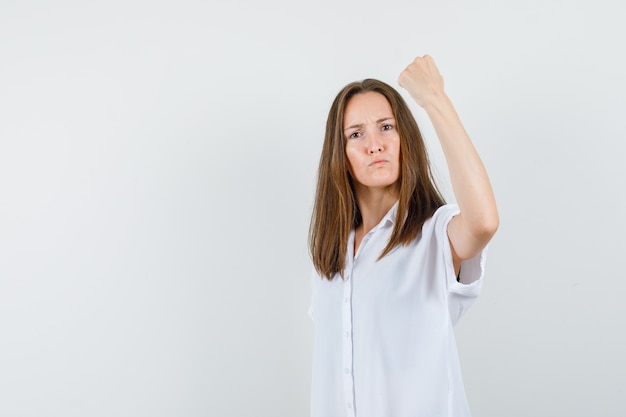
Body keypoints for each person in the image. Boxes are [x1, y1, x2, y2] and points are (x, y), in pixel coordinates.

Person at [308, 55, 499, 417]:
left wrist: (434, 100)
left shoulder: (434, 235)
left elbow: (483, 222)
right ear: (340, 153)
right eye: (356, 134)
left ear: (404, 138)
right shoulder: (328, 258)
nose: (374, 144)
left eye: (386, 127)